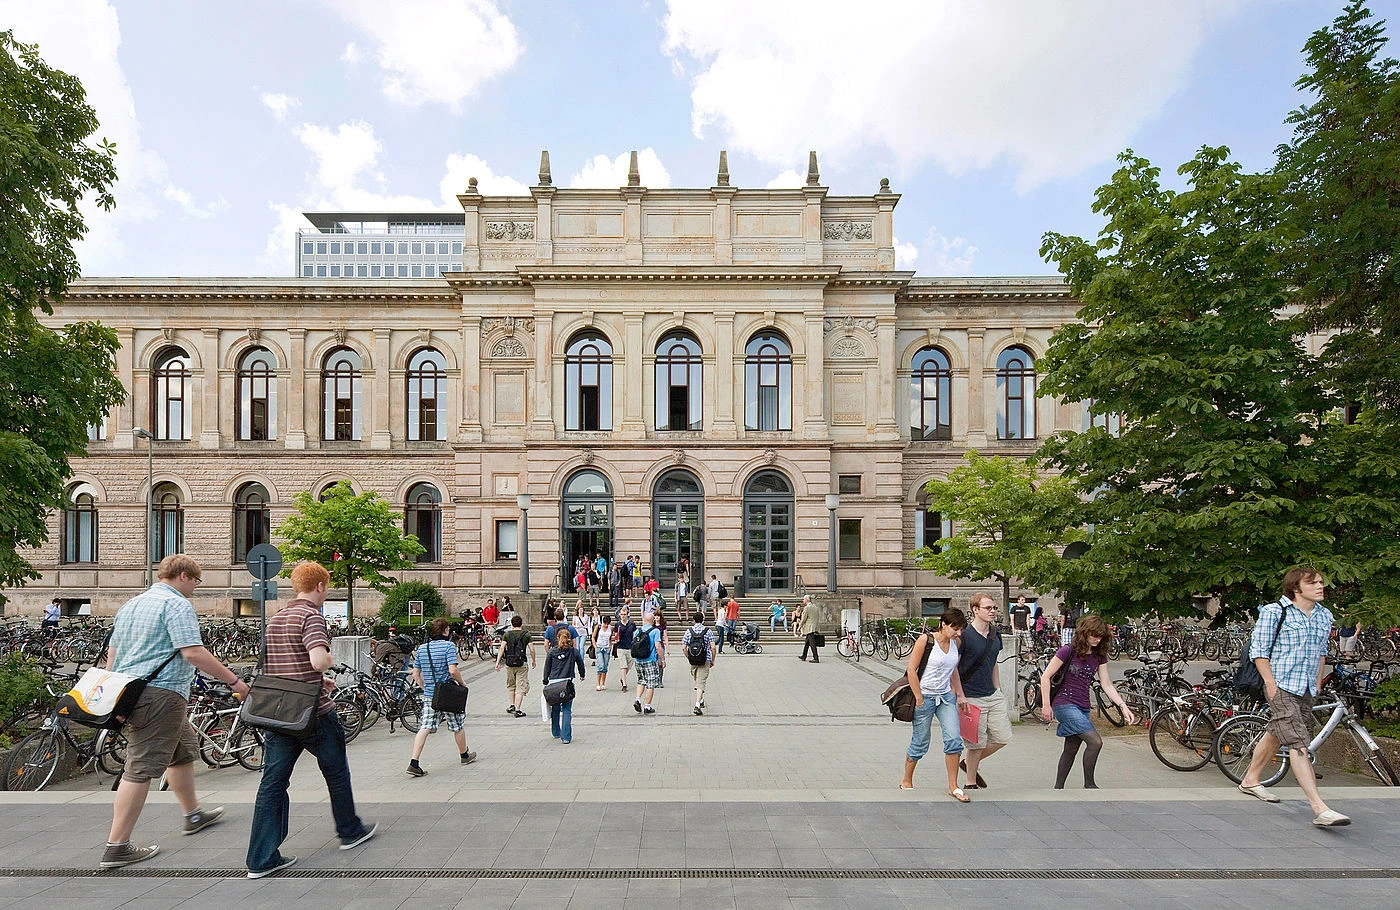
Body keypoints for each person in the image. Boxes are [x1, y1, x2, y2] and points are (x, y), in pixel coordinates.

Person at [98, 555, 250, 870]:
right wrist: (234, 680)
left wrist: (112, 696)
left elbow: (112, 653)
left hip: (131, 692)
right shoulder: (177, 605)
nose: (195, 588)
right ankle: (117, 846)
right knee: (140, 768)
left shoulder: (132, 604)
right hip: (160, 695)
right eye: (196, 581)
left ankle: (193, 814)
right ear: (183, 576)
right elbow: (193, 651)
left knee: (181, 752)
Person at [246, 561, 376, 878]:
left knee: (273, 784)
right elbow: (317, 660)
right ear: (320, 587)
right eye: (327, 587)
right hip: (313, 714)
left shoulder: (276, 619)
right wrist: (329, 663)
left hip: (279, 715)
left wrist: (317, 680)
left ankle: (261, 859)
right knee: (336, 771)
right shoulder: (311, 616)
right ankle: (349, 830)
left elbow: (277, 667)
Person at [1238, 567, 1349, 827]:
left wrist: (1319, 681)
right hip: (1281, 685)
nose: (1320, 586)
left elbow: (1322, 650)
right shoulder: (1275, 612)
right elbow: (1259, 651)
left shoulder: (1324, 615)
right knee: (1298, 741)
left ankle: (1251, 779)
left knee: (1278, 731)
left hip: (1307, 688)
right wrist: (1270, 683)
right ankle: (1320, 808)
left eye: (1321, 582)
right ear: (1296, 588)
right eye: (1313, 583)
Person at [1039, 614, 1134, 790]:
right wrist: (1046, 705)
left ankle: (1058, 788)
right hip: (1064, 702)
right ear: (1084, 633)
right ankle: (1089, 784)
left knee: (1071, 748)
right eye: (1093, 635)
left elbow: (1106, 684)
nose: (1097, 639)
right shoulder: (1068, 650)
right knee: (1095, 742)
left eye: (1100, 636)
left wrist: (1123, 706)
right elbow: (1046, 677)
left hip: (1082, 705)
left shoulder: (1099, 655)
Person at [899, 608, 971, 800]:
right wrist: (919, 698)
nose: (958, 633)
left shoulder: (956, 642)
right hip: (926, 697)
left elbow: (953, 669)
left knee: (954, 739)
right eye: (955, 628)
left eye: (961, 629)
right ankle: (906, 779)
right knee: (921, 742)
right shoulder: (926, 640)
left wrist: (957, 692)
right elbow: (911, 670)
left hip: (946, 698)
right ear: (944, 624)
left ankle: (953, 786)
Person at [406, 618, 476, 777]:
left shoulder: (422, 649)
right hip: (449, 693)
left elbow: (415, 674)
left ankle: (414, 762)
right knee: (457, 725)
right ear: (445, 630)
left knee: (425, 727)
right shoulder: (449, 646)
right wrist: (463, 683)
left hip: (430, 695)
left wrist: (425, 687)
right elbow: (453, 671)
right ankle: (464, 755)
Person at [958, 594, 1012, 791]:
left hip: (992, 694)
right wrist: (959, 694)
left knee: (1002, 737)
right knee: (975, 742)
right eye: (988, 608)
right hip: (970, 695)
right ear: (975, 610)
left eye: (994, 608)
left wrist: (998, 688)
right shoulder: (964, 635)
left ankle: (966, 763)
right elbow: (954, 667)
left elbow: (993, 661)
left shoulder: (994, 634)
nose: (992, 611)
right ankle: (970, 781)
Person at [544, 627, 585, 743]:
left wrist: (545, 680)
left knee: (555, 708)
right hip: (567, 683)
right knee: (567, 710)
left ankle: (556, 731)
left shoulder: (552, 651)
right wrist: (582, 674)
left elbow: (547, 666)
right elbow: (580, 664)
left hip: (554, 683)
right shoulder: (573, 651)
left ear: (557, 638)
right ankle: (566, 736)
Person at [495, 614, 535, 717]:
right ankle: (518, 709)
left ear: (512, 624)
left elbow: (502, 648)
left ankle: (512, 705)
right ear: (521, 623)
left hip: (509, 663)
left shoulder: (507, 634)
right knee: (521, 686)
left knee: (511, 685)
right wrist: (534, 660)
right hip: (521, 663)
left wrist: (498, 662)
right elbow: (531, 649)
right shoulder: (526, 635)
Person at [681, 611, 716, 716]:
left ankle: (701, 700)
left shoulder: (689, 631)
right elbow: (713, 647)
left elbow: (683, 647)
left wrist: (688, 657)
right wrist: (712, 659)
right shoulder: (708, 631)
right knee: (701, 682)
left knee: (697, 680)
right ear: (703, 620)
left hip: (693, 659)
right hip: (704, 659)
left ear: (694, 620)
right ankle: (697, 705)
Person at [632, 610, 664, 715]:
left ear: (644, 620)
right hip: (650, 660)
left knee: (641, 680)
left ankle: (637, 699)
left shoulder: (637, 631)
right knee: (650, 683)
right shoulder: (655, 631)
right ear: (653, 620)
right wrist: (662, 659)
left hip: (638, 660)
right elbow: (658, 646)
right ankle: (647, 706)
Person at [614, 606, 637, 691]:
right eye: (622, 614)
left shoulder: (632, 624)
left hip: (630, 647)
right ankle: (624, 684)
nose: (623, 616)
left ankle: (622, 678)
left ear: (628, 615)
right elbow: (616, 635)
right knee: (623, 666)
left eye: (624, 614)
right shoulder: (617, 625)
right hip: (621, 647)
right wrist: (616, 638)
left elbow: (634, 635)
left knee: (629, 666)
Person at [797, 595, 822, 663]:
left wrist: (799, 627)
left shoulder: (807, 608)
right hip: (814, 626)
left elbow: (803, 619)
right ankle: (804, 656)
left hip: (809, 627)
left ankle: (816, 658)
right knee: (807, 642)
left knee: (812, 643)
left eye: (803, 599)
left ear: (807, 600)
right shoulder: (815, 607)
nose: (803, 601)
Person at [594, 614, 613, 690]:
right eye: (605, 623)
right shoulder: (598, 627)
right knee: (600, 665)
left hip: (607, 648)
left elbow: (610, 638)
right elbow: (593, 636)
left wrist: (610, 645)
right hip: (599, 647)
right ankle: (598, 683)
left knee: (605, 666)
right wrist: (595, 646)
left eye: (607, 624)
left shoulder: (610, 628)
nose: (606, 625)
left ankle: (603, 683)